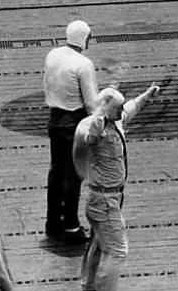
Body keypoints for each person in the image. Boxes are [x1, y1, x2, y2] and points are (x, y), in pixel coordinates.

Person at [76, 83, 164, 291]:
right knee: (117, 251)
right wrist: (96, 127)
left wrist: (147, 95)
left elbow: (132, 107)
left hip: (107, 198)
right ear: (106, 107)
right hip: (104, 201)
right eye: (117, 107)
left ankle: (88, 285)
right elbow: (89, 140)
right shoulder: (95, 126)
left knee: (99, 243)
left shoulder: (116, 121)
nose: (121, 110)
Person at [43, 19, 99, 240]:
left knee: (56, 172)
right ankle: (71, 225)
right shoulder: (83, 64)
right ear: (84, 38)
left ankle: (53, 222)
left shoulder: (52, 55)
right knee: (74, 174)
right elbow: (91, 103)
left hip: (55, 119)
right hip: (74, 122)